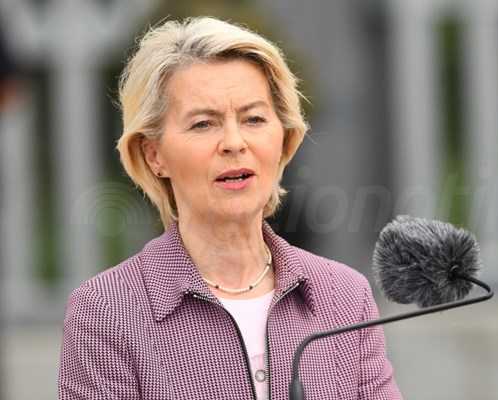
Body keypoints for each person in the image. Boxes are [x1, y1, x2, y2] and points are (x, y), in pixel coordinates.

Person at [58, 16, 403, 400]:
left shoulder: (344, 296)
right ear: (154, 154)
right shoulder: (105, 312)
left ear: (283, 138)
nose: (234, 143)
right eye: (203, 124)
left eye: (254, 119)